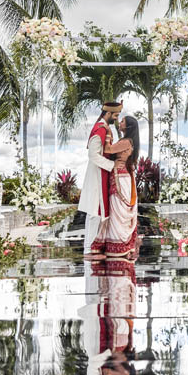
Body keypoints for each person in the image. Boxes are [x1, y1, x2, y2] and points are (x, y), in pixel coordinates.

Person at [89, 115, 140, 259]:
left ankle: (119, 246)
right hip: (120, 176)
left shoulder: (126, 142)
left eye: (122, 121)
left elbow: (108, 149)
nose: (120, 122)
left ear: (128, 126)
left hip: (121, 178)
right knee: (116, 211)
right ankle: (116, 246)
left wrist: (107, 132)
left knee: (118, 211)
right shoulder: (126, 141)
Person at [79, 102, 121, 255]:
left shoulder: (104, 128)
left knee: (96, 212)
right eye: (115, 115)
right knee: (94, 212)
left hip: (101, 172)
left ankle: (91, 247)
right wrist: (112, 164)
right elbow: (93, 155)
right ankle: (89, 248)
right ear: (108, 113)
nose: (116, 119)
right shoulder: (100, 129)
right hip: (97, 174)